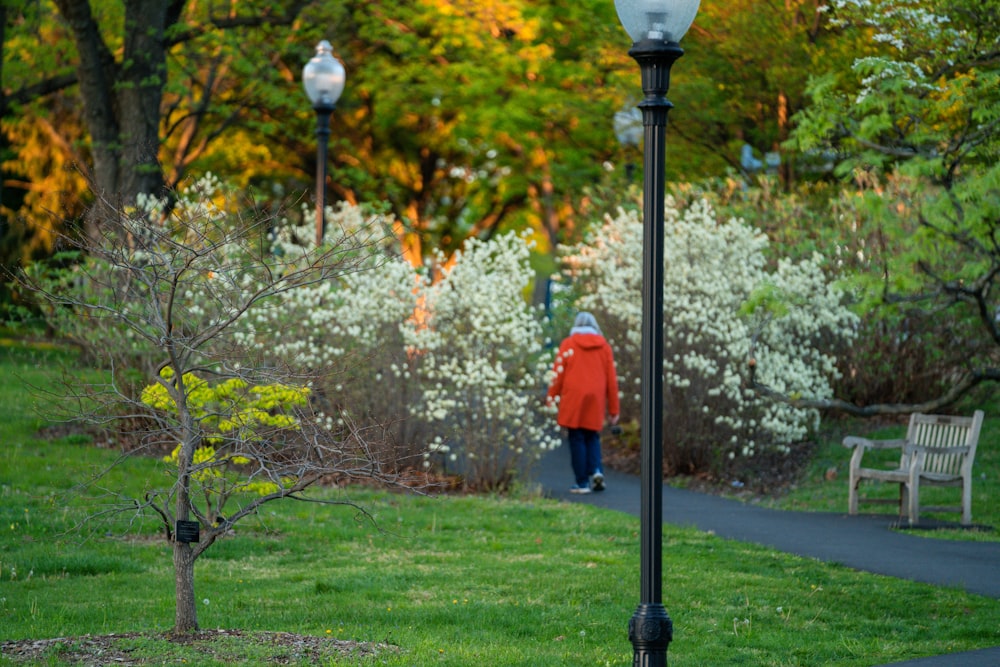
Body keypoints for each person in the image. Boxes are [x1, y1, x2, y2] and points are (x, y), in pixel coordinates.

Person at [546, 312, 620, 494]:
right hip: (596, 398)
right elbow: (612, 380)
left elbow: (558, 375)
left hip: (573, 397)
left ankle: (582, 483)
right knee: (592, 436)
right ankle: (596, 470)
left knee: (576, 437)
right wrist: (614, 409)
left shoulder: (568, 344)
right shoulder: (604, 347)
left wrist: (551, 399)